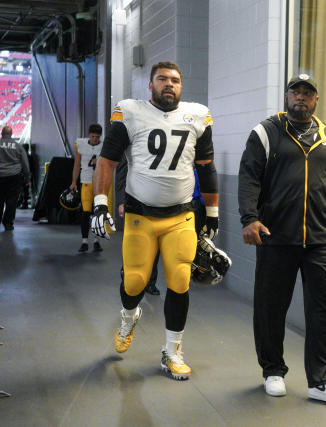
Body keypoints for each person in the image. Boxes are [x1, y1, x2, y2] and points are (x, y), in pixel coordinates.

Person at [90, 61, 219, 381]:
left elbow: (206, 166)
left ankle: (172, 352)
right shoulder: (130, 111)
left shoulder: (197, 115)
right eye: (162, 79)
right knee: (134, 282)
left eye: (175, 80)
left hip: (180, 216)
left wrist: (213, 213)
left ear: (181, 86)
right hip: (140, 214)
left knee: (179, 281)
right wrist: (100, 204)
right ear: (149, 85)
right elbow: (107, 162)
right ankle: (129, 315)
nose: (169, 85)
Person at [238, 73, 326, 405]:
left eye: (307, 93)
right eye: (295, 92)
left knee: (324, 310)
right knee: (271, 308)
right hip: (276, 236)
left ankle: (324, 381)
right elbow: (249, 179)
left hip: (319, 239)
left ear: (316, 100)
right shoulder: (265, 133)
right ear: (286, 97)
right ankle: (273, 370)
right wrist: (250, 218)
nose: (301, 97)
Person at [115, 157, 161, 295]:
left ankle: (151, 282)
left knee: (154, 244)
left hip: (155, 203)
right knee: (132, 243)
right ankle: (127, 276)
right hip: (134, 202)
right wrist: (121, 202)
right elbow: (121, 175)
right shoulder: (130, 147)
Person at [69, 123, 104, 252]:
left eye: (97, 137)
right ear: (89, 134)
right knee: (85, 212)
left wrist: (100, 162)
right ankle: (84, 241)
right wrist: (73, 181)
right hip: (86, 182)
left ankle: (96, 240)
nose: (95, 139)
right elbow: (76, 165)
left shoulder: (104, 146)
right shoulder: (81, 144)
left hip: (100, 183)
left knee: (98, 212)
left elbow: (109, 164)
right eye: (93, 136)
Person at [0, 125, 30, 231]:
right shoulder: (18, 146)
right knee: (11, 201)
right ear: (11, 134)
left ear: (2, 134)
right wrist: (27, 177)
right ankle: (8, 223)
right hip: (14, 177)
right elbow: (25, 163)